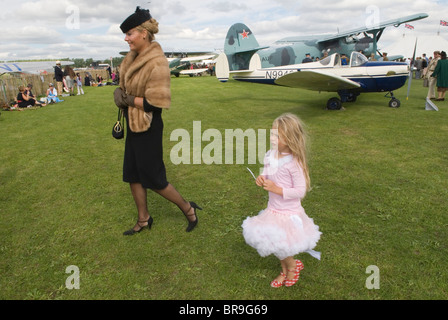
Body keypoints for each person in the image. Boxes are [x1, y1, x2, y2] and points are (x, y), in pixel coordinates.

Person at [113, 7, 202, 236]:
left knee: (154, 178)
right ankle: (143, 219)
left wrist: (128, 99)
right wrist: (120, 94)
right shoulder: (133, 58)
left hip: (148, 124)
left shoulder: (157, 62)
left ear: (144, 33)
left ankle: (187, 208)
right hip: (133, 123)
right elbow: (127, 90)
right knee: (132, 174)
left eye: (130, 33)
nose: (126, 38)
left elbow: (155, 102)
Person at [242, 113, 321, 288]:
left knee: (281, 245)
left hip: (288, 213)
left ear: (290, 138)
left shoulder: (294, 163)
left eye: (277, 136)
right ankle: (285, 268)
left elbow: (300, 191)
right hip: (273, 210)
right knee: (276, 243)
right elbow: (266, 172)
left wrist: (277, 189)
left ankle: (292, 267)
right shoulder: (270, 154)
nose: (272, 138)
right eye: (271, 133)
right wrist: (261, 178)